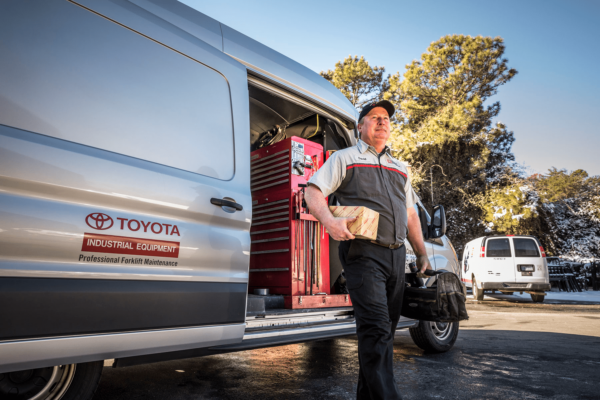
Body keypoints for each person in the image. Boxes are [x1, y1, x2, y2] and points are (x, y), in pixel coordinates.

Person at [305, 100, 431, 400]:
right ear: (360, 126)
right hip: (363, 253)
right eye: (374, 117)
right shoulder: (344, 159)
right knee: (375, 329)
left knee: (384, 333)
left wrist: (422, 251)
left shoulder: (400, 168)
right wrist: (329, 222)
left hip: (396, 255)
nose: (382, 122)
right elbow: (313, 191)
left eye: (386, 118)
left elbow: (411, 213)